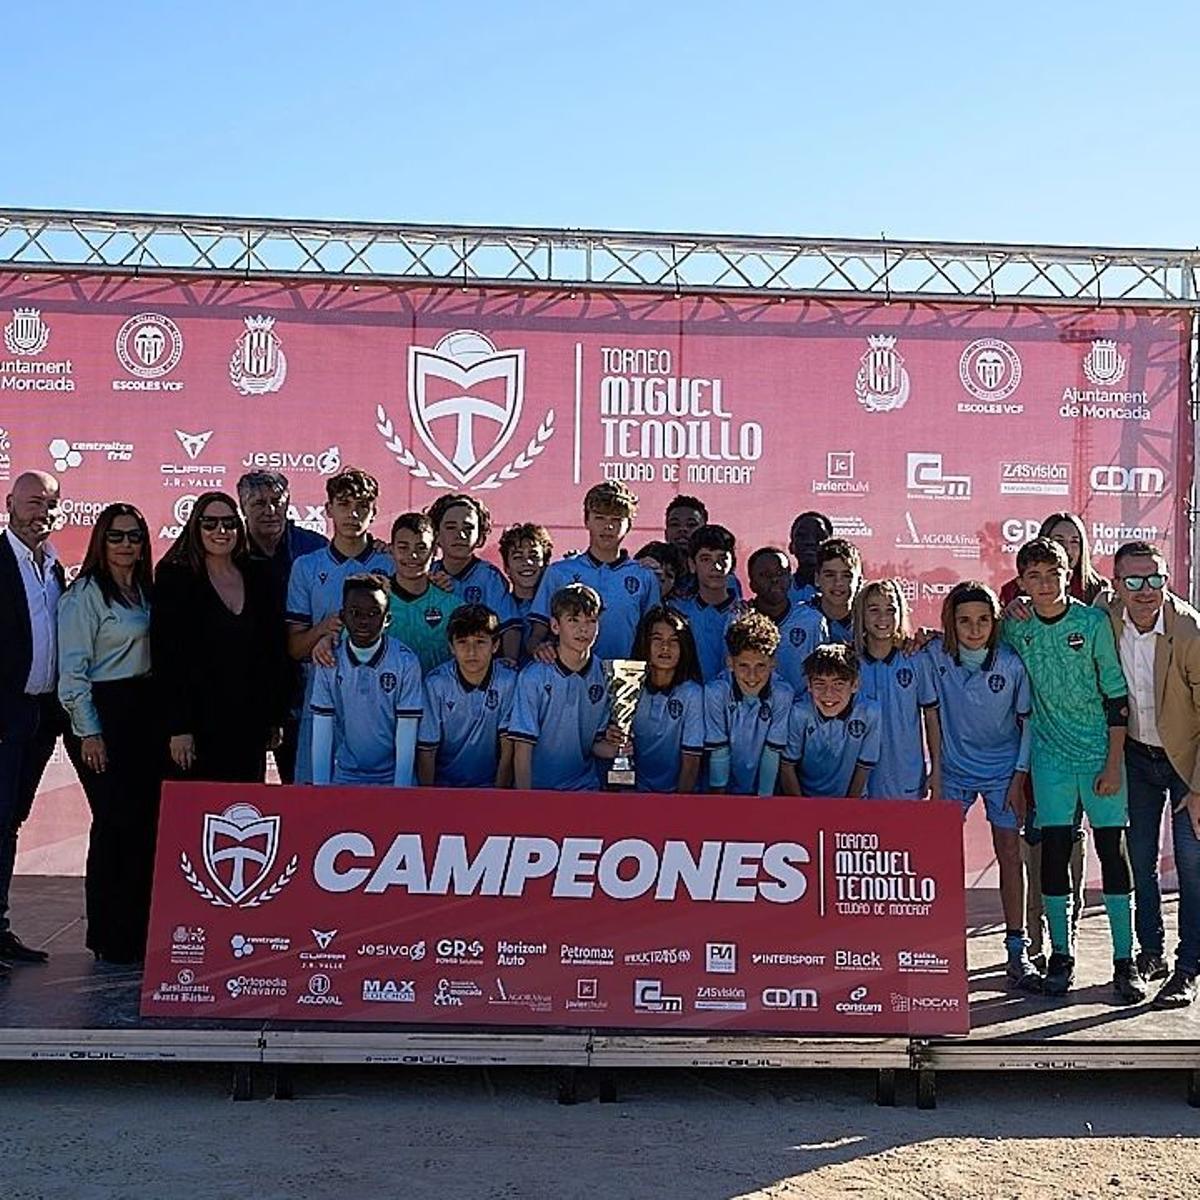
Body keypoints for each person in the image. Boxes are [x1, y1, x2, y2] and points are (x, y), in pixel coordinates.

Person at [1001, 537, 1141, 1001]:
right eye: (1034, 577)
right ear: (1021, 582)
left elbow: (1117, 698)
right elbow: (975, 639)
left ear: (1069, 574)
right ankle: (1061, 957)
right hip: (1051, 759)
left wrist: (1114, 763)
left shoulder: (1092, 621)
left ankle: (1126, 961)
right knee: (1055, 856)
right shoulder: (1017, 628)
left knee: (1112, 856)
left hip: (1100, 755)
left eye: (1053, 574)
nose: (1045, 585)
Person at [1095, 542, 1200, 1008]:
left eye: (1155, 579)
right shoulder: (1104, 614)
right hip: (1135, 757)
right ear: (1116, 584)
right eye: (1133, 581)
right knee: (1139, 860)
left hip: (1187, 761)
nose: (1145, 590)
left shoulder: (1190, 629)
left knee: (1193, 868)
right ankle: (1151, 953)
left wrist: (1199, 787)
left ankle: (1188, 967)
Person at [924, 582, 1041, 990]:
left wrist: (1019, 776)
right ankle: (937, 951)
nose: (974, 629)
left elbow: (1027, 723)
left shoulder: (1011, 663)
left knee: (1010, 853)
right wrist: (936, 774)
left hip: (1002, 772)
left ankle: (1016, 949)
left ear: (995, 623)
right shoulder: (934, 655)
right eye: (964, 621)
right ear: (950, 625)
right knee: (938, 860)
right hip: (954, 771)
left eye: (983, 620)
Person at [57, 503, 159, 964]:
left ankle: (138, 929)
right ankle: (109, 935)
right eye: (117, 536)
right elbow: (73, 674)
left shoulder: (143, 590)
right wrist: (89, 733)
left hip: (142, 715)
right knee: (114, 824)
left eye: (134, 536)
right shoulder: (85, 595)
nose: (126, 545)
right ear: (102, 540)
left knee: (140, 827)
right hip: (103, 716)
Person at [152, 491, 287, 783]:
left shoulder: (258, 575)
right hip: (196, 729)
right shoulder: (174, 577)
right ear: (195, 528)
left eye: (229, 523)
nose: (220, 531)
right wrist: (179, 728)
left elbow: (272, 652)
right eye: (210, 523)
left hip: (247, 724)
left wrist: (274, 716)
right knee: (195, 817)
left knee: (243, 810)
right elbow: (167, 657)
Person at [0, 470, 77, 968]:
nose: (40, 512)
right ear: (9, 503)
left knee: (9, 821)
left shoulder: (53, 568)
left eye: (49, 504)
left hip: (38, 716)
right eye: (31, 502)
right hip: (3, 712)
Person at [286, 468, 392, 783]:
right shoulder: (306, 567)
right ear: (328, 509)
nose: (353, 514)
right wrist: (323, 629)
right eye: (344, 504)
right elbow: (294, 648)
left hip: (379, 705)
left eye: (362, 506)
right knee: (315, 798)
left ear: (374, 511)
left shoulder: (392, 564)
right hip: (323, 700)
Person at [237, 470, 328, 782]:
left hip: (304, 688)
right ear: (243, 507)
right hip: (248, 689)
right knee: (243, 791)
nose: (269, 510)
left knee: (303, 787)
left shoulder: (315, 548)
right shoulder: (229, 551)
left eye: (277, 501)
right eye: (259, 503)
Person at [527, 481, 659, 662]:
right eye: (600, 518)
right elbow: (536, 635)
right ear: (586, 520)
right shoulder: (559, 572)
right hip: (570, 679)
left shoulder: (643, 576)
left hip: (624, 680)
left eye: (616, 520)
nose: (608, 526)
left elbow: (653, 635)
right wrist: (541, 647)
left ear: (628, 525)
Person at [310, 575, 422, 787]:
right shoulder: (329, 660)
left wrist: (401, 791)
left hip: (393, 777)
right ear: (342, 616)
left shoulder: (406, 662)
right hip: (346, 775)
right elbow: (323, 729)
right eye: (355, 613)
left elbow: (407, 731)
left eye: (373, 613)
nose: (363, 620)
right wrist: (320, 790)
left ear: (387, 619)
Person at [509, 584, 613, 791]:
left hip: (585, 788)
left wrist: (618, 748)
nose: (583, 629)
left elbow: (595, 744)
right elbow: (522, 747)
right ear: (555, 626)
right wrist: (524, 802)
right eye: (573, 620)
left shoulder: (605, 675)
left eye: (591, 621)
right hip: (540, 790)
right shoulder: (533, 676)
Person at [853, 580, 940, 800]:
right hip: (859, 777)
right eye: (874, 610)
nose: (883, 618)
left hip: (906, 773)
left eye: (890, 610)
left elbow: (931, 717)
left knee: (905, 834)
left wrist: (937, 769)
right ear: (861, 615)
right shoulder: (850, 663)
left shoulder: (916, 659)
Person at [418, 605, 517, 788]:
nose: (471, 652)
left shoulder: (509, 682)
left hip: (490, 787)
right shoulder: (435, 684)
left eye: (480, 642)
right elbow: (427, 751)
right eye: (462, 642)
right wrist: (428, 800)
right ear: (451, 647)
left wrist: (499, 797)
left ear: (495, 645)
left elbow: (508, 749)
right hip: (444, 787)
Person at [704, 611, 792, 796]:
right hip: (722, 790)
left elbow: (772, 753)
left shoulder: (783, 694)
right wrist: (719, 804)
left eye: (760, 666)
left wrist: (762, 804)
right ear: (730, 663)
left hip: (764, 791)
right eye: (743, 666)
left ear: (773, 663)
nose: (752, 676)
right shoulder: (715, 692)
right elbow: (719, 752)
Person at [427, 494, 521, 661]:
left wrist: (510, 663)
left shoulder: (490, 577)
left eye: (468, 527)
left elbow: (510, 626)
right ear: (436, 535)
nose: (460, 535)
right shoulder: (427, 575)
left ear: (480, 536)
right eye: (450, 527)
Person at [780, 644, 880, 798]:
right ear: (809, 685)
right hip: (806, 799)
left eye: (838, 684)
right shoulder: (799, 712)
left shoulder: (869, 713)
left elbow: (863, 767)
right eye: (820, 684)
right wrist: (800, 810)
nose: (828, 693)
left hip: (851, 800)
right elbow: (787, 765)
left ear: (855, 685)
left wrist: (848, 810)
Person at [627, 605, 704, 793]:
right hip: (632, 794)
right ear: (644, 643)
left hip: (675, 797)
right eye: (657, 639)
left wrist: (677, 809)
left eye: (674, 641)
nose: (665, 647)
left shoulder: (692, 694)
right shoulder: (627, 686)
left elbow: (691, 761)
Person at [385, 512, 464, 673]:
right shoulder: (374, 603)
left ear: (434, 551)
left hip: (438, 697)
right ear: (391, 550)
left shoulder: (454, 607)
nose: (412, 555)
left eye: (421, 548)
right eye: (403, 547)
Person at [748, 547, 827, 696]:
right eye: (765, 575)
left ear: (790, 578)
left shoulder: (811, 621)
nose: (774, 579)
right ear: (752, 584)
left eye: (781, 573)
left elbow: (823, 674)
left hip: (800, 714)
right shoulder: (740, 621)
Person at [674, 525, 746, 682]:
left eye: (722, 558)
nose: (716, 567)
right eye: (706, 559)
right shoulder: (677, 614)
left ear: (733, 563)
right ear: (692, 565)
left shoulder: (747, 617)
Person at [1000, 511, 1106, 607]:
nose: (1067, 549)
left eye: (1074, 542)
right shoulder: (1013, 591)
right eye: (1059, 540)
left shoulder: (1099, 588)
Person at [499, 522, 553, 661]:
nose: (527, 562)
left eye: (534, 556)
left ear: (545, 564)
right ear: (506, 568)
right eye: (517, 557)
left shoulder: (557, 605)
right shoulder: (498, 606)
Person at [812, 537, 860, 644]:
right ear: (817, 579)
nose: (838, 582)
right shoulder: (800, 618)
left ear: (859, 580)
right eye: (830, 575)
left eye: (846, 575)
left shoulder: (871, 621)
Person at [663, 495, 708, 599]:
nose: (682, 529)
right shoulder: (653, 571)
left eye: (691, 524)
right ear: (666, 533)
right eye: (675, 524)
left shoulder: (720, 576)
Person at [788, 511, 833, 606]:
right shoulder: (780, 591)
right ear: (791, 546)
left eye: (819, 536)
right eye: (802, 536)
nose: (810, 542)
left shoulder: (843, 590)